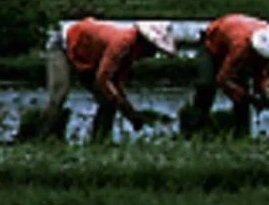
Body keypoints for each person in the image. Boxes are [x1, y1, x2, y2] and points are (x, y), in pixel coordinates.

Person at [40, 18, 177, 143]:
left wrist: (129, 112)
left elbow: (116, 82)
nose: (153, 54)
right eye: (153, 48)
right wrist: (129, 112)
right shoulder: (122, 43)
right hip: (64, 45)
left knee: (108, 101)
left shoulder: (130, 51)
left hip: (88, 56)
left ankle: (99, 141)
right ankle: (40, 137)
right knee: (59, 94)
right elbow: (103, 80)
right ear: (144, 42)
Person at [191, 14, 269, 137]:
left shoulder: (268, 37)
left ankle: (242, 134)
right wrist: (246, 96)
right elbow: (222, 79)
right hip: (213, 44)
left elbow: (261, 72)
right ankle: (196, 128)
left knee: (242, 94)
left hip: (235, 39)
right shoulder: (241, 47)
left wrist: (262, 94)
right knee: (206, 85)